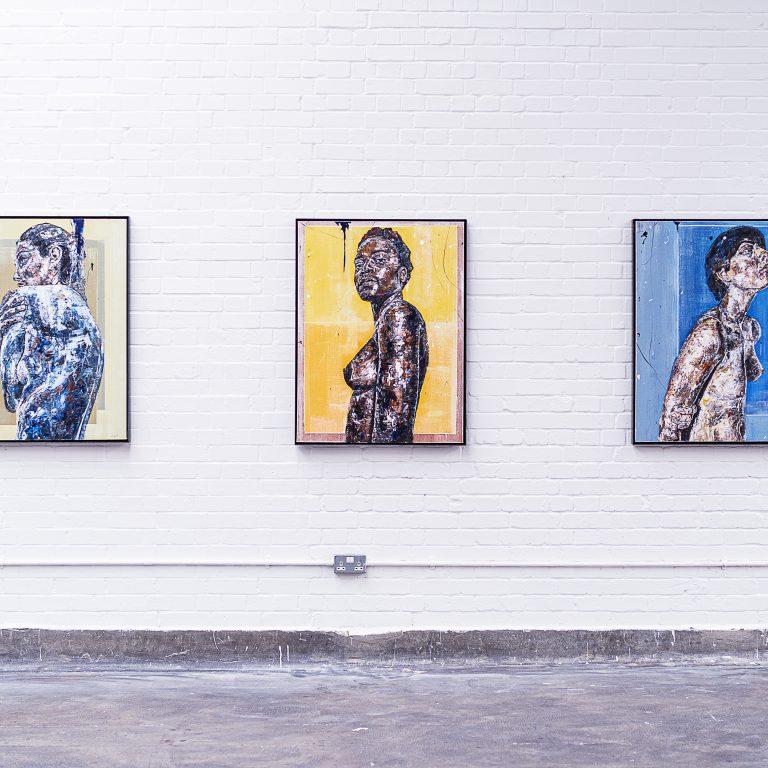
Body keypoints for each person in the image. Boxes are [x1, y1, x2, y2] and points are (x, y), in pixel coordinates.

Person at [659, 225, 768, 442]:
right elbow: (672, 414)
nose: (762, 255)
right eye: (747, 251)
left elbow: (752, 373)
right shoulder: (710, 332)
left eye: (760, 249)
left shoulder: (748, 328)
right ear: (723, 272)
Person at [0, 221, 103, 440]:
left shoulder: (35, 301)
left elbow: (11, 396)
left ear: (54, 256)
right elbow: (12, 399)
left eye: (24, 259)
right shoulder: (77, 314)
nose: (17, 275)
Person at [344, 227, 429, 443]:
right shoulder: (385, 321)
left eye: (379, 260)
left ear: (402, 275)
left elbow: (395, 413)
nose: (366, 269)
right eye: (359, 264)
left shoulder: (398, 315)